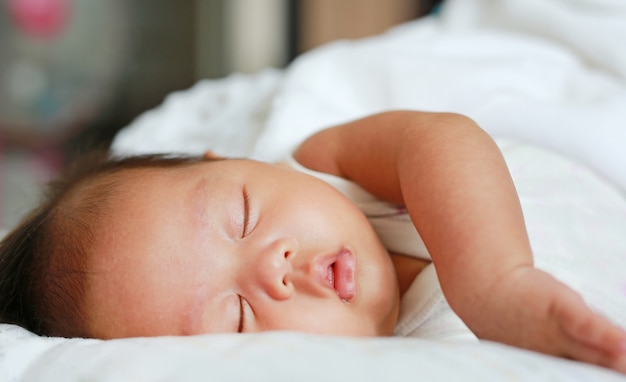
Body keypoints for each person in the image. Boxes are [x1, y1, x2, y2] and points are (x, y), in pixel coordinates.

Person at [1, 110, 625, 372]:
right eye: (239, 318)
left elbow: (443, 139)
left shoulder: (328, 166)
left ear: (235, 159)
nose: (274, 267)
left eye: (243, 215)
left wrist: (493, 283)